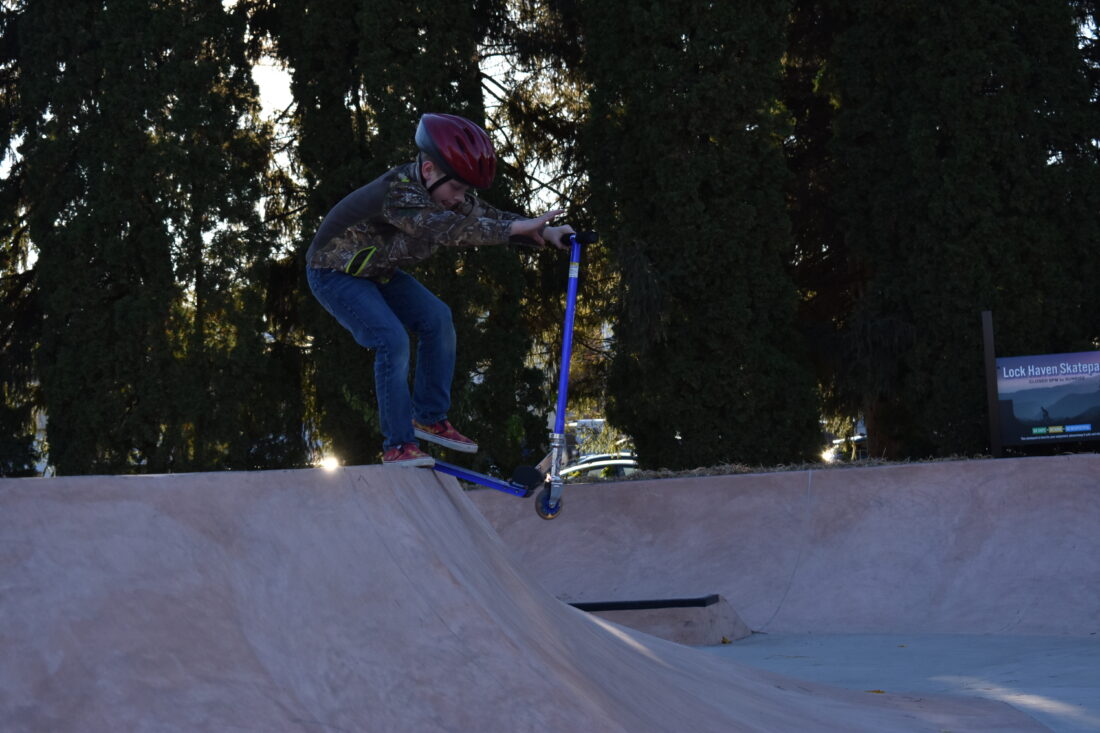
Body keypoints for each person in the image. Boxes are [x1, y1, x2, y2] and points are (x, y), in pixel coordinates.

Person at [306, 113, 574, 467]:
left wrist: (542, 233)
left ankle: (430, 418)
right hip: (333, 274)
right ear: (430, 170)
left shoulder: (443, 191)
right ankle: (398, 445)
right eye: (456, 189)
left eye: (464, 191)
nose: (458, 199)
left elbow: (486, 217)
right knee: (392, 340)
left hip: (377, 272)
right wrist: (518, 229)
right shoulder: (398, 194)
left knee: (437, 318)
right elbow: (449, 230)